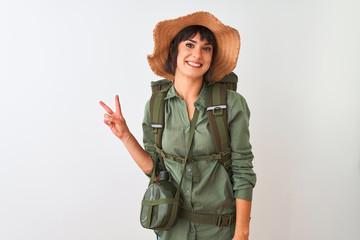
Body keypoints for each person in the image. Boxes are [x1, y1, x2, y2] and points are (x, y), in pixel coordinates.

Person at [100, 11, 256, 240]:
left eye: (206, 48)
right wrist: (125, 136)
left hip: (220, 231)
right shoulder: (156, 106)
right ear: (175, 50)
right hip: (172, 229)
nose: (198, 54)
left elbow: (243, 169)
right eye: (190, 45)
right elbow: (155, 170)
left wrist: (242, 233)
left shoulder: (231, 104)